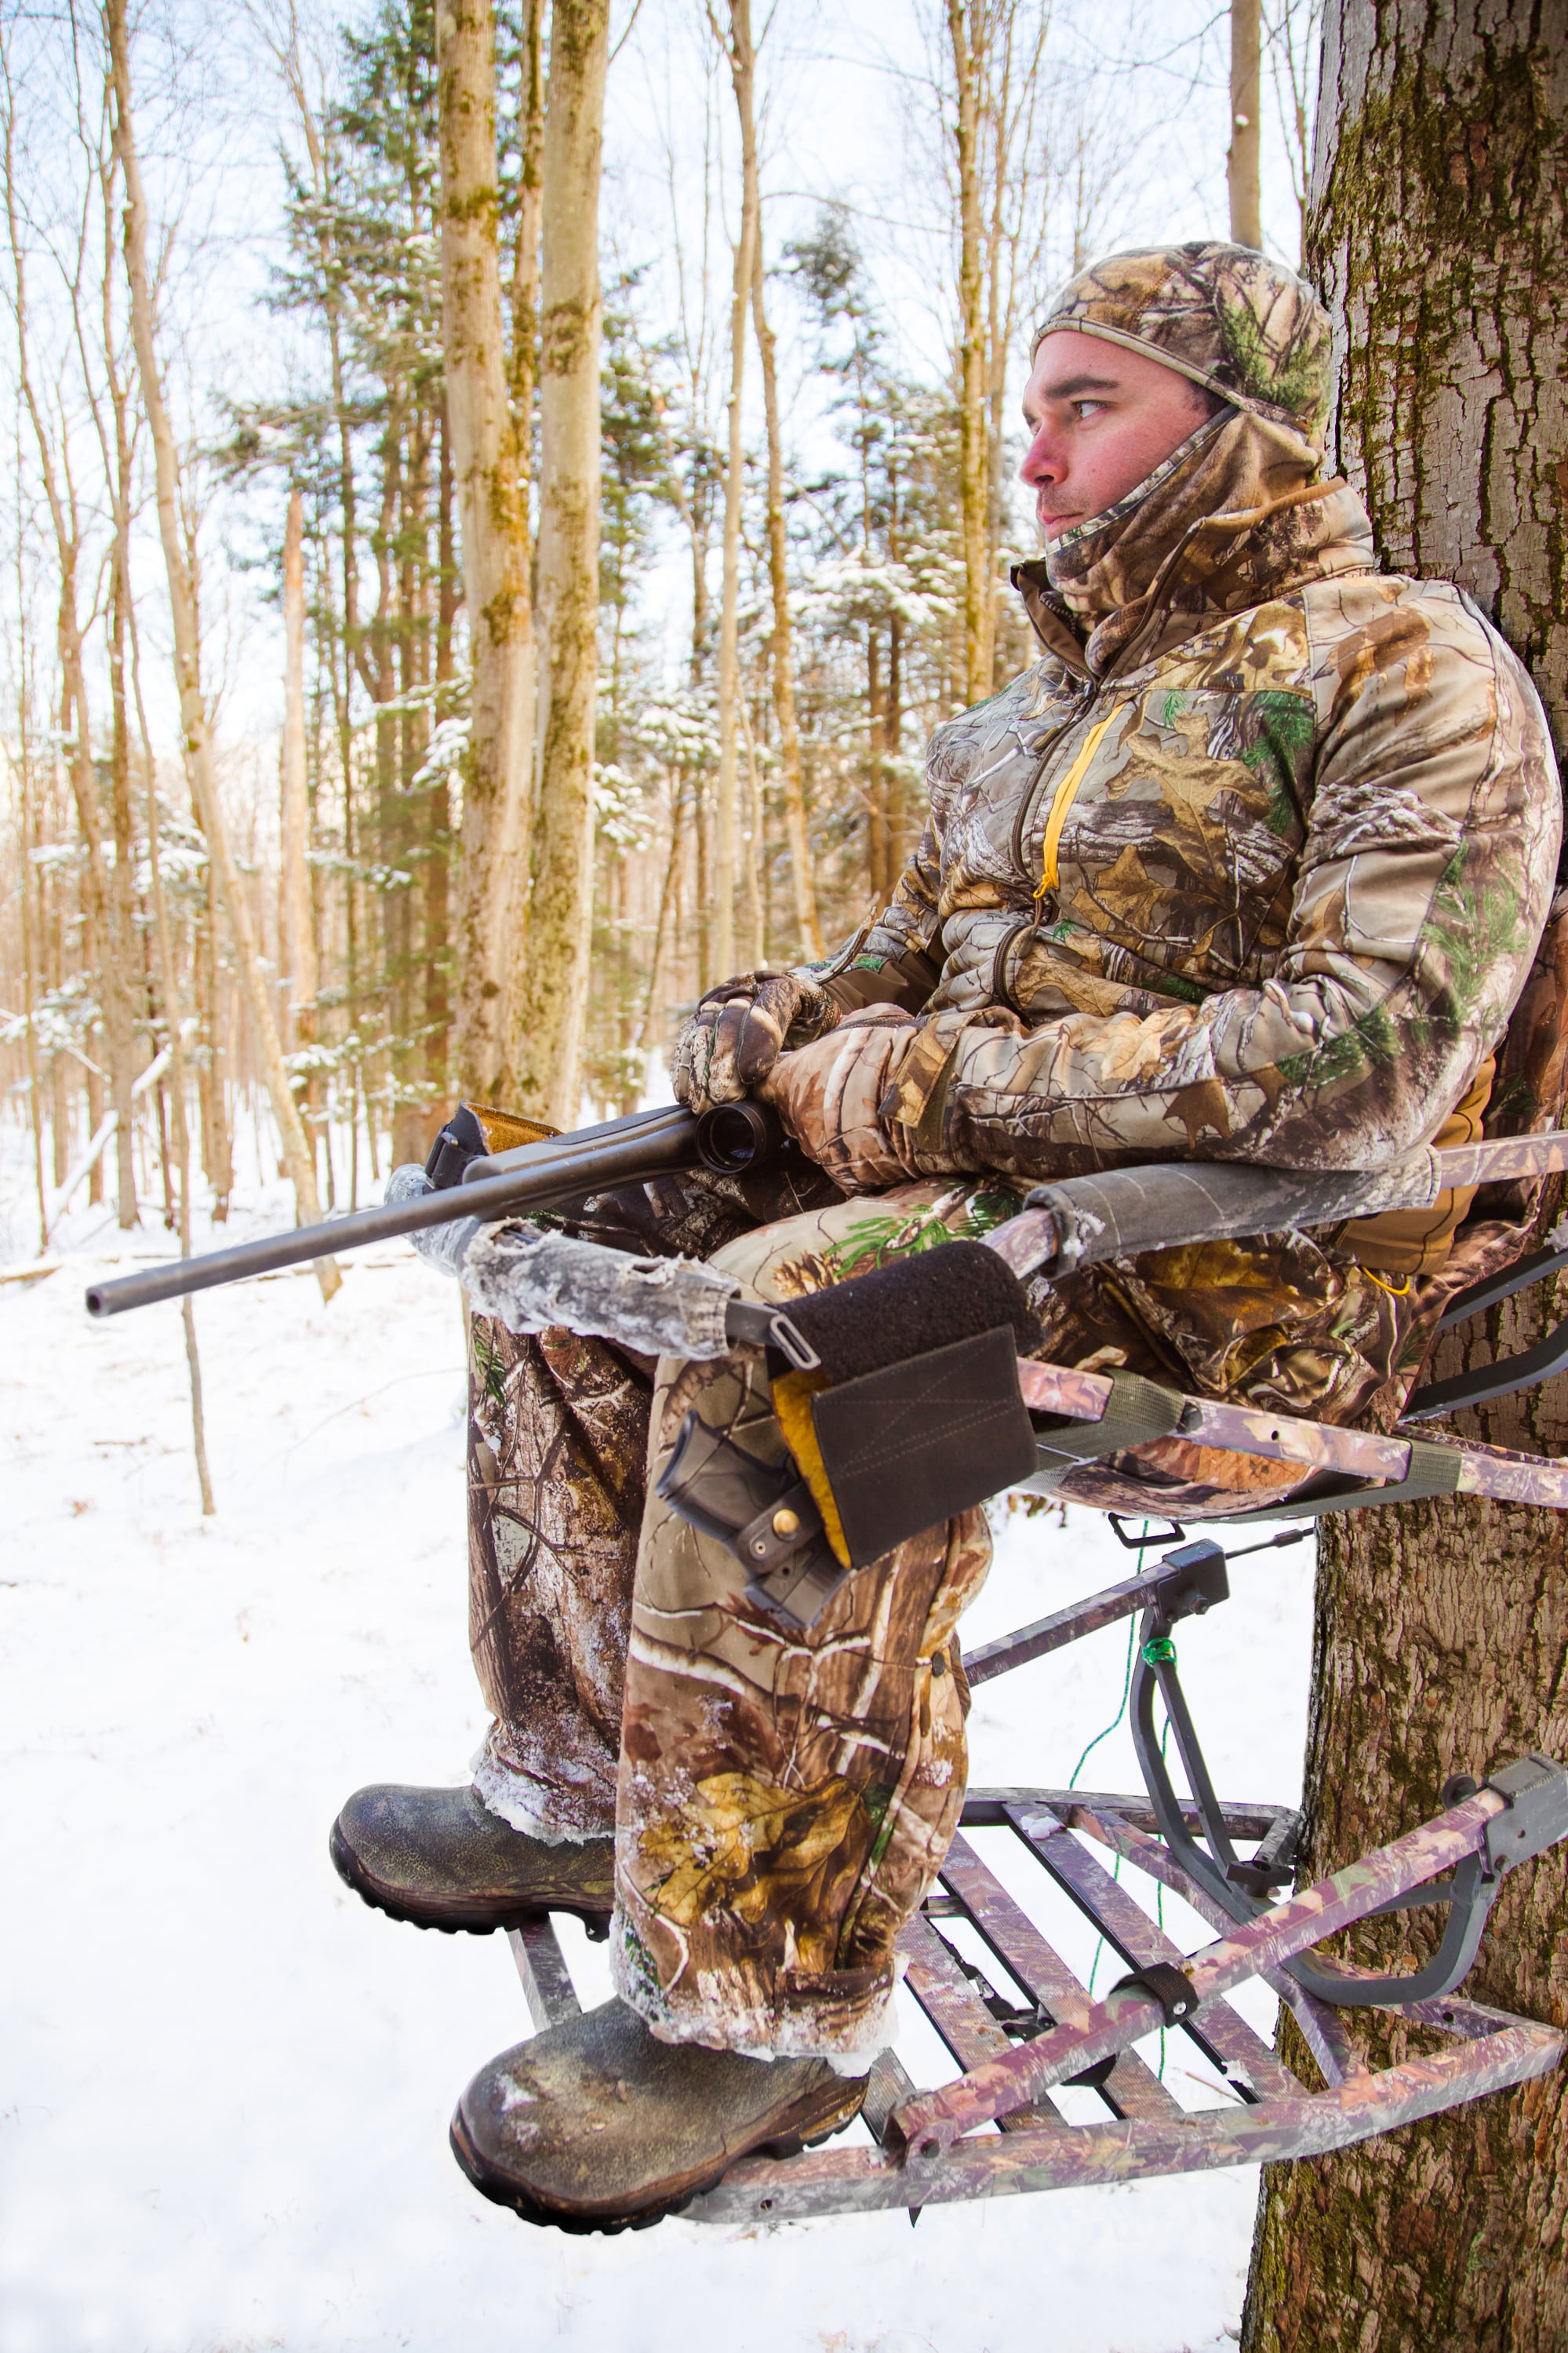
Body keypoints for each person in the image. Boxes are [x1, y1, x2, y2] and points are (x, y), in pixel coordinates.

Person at [329, 242, 1560, 2231]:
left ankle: (767, 2011)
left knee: (794, 1324)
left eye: (1091, 408)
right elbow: (892, 970)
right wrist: (773, 1020)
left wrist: (925, 1094)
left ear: (1231, 435)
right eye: (1034, 414)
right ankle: (584, 1795)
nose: (1040, 459)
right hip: (992, 1207)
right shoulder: (1025, 718)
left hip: (1248, 1285)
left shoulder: (1399, 667)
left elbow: (1371, 1057)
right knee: (568, 1214)